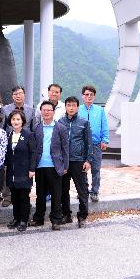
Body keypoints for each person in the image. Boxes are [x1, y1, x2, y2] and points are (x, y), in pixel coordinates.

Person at [30, 101, 69, 230]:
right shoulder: (36, 128)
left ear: (53, 112)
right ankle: (39, 218)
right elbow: (34, 149)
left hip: (55, 166)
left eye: (49, 110)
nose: (46, 112)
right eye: (44, 110)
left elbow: (65, 149)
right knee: (40, 194)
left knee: (56, 195)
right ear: (40, 112)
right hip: (40, 166)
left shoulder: (61, 128)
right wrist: (32, 166)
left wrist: (65, 166)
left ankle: (56, 220)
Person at [59, 96, 93, 228]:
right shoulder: (60, 122)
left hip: (79, 162)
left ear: (77, 107)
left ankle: (82, 216)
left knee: (82, 190)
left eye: (74, 105)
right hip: (64, 162)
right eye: (69, 105)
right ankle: (66, 215)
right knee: (63, 190)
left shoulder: (84, 122)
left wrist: (88, 160)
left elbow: (89, 143)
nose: (71, 108)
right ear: (65, 107)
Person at [2, 85, 35, 207]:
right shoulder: (5, 109)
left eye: (20, 93)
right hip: (10, 143)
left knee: (24, 172)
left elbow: (33, 128)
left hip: (25, 145)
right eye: (15, 94)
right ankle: (7, 196)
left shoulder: (30, 110)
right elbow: (3, 127)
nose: (18, 96)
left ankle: (25, 196)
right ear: (12, 96)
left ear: (24, 95)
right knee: (9, 170)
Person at [4, 109, 36, 232]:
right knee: (15, 196)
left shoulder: (29, 135)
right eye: (13, 119)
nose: (15, 121)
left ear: (22, 121)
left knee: (23, 196)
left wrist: (32, 169)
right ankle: (16, 218)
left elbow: (33, 153)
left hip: (25, 171)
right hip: (12, 172)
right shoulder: (9, 135)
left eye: (18, 119)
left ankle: (24, 219)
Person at [78, 85, 109, 202]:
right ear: (83, 96)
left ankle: (95, 191)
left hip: (96, 144)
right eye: (87, 94)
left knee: (96, 169)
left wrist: (105, 140)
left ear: (94, 96)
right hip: (82, 144)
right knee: (82, 169)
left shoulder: (100, 110)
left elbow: (104, 126)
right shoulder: (78, 109)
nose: (89, 96)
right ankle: (84, 191)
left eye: (91, 94)